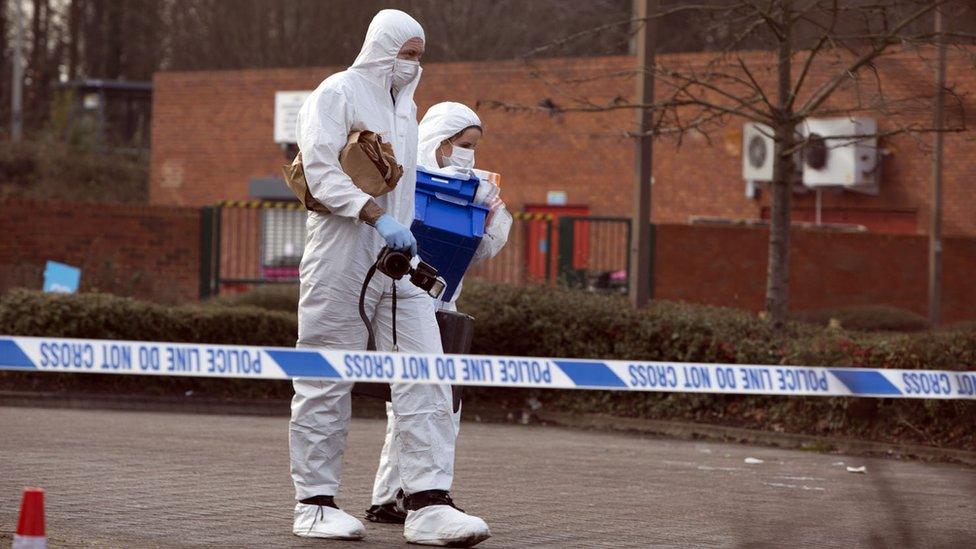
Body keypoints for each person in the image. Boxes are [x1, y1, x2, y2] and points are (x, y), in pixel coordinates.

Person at [290, 10, 490, 547]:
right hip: (343, 250)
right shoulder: (338, 92)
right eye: (406, 53)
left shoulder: (408, 107)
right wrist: (375, 215)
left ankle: (427, 503)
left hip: (398, 259)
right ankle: (314, 503)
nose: (413, 65)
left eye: (420, 55)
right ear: (380, 47)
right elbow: (318, 168)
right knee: (326, 373)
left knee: (427, 373)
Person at [366, 102, 512, 524]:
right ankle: (423, 496)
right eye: (464, 145)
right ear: (440, 142)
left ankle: (391, 496)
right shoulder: (404, 182)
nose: (470, 155)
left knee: (418, 404)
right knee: (431, 404)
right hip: (401, 303)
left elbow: (476, 252)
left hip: (441, 306)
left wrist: (495, 218)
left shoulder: (473, 191)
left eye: (474, 147)